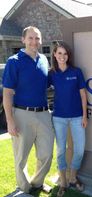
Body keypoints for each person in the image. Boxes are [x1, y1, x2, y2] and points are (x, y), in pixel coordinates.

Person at [2, 26, 54, 194]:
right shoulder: (14, 61)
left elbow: (46, 85)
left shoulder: (44, 60)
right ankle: (24, 188)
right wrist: (10, 120)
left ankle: (37, 183)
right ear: (23, 40)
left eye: (37, 38)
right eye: (30, 38)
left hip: (44, 113)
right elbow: (8, 92)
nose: (34, 42)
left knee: (47, 153)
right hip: (22, 114)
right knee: (21, 157)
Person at [48, 41, 87, 196]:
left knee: (79, 149)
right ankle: (63, 181)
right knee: (60, 150)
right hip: (59, 118)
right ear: (55, 55)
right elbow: (40, 87)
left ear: (68, 56)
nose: (62, 56)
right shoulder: (51, 74)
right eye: (59, 53)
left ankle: (73, 177)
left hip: (77, 117)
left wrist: (85, 115)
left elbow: (83, 94)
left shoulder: (76, 72)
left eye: (65, 54)